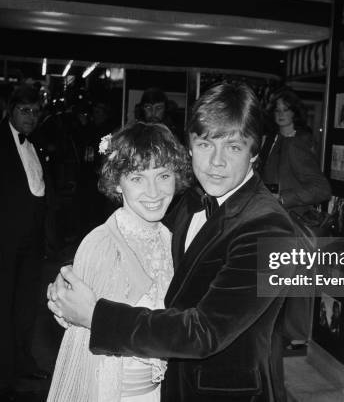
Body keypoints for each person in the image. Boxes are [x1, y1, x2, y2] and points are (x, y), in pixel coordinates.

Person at [48, 82, 305, 402]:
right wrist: (77, 280)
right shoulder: (193, 200)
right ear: (190, 146)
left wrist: (95, 315)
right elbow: (142, 246)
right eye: (206, 144)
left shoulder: (269, 229)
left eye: (234, 147)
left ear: (255, 151)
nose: (216, 162)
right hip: (168, 384)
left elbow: (204, 332)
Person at [47, 122, 191, 401]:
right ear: (116, 182)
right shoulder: (102, 243)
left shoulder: (171, 239)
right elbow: (81, 343)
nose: (154, 191)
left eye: (163, 175)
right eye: (137, 178)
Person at [0, 85, 51, 400]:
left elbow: (40, 190)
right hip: (1, 245)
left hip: (31, 244)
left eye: (36, 111)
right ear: (11, 111)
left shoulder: (36, 144)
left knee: (25, 310)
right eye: (25, 110)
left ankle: (22, 363)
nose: (32, 116)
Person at [262, 87, 331, 349]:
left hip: (290, 221)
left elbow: (321, 188)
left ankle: (295, 334)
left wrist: (284, 197)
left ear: (294, 112)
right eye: (277, 110)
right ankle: (280, 333)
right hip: (273, 219)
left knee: (291, 284)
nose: (280, 114)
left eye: (285, 109)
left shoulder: (297, 143)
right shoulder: (273, 140)